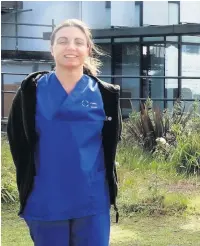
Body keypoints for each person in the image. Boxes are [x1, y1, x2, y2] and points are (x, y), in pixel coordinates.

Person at [6, 19, 122, 246]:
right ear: (52, 48)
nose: (71, 47)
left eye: (79, 42)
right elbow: (18, 143)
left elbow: (110, 143)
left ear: (88, 49)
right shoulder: (31, 91)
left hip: (92, 201)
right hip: (46, 198)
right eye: (63, 41)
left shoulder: (105, 94)